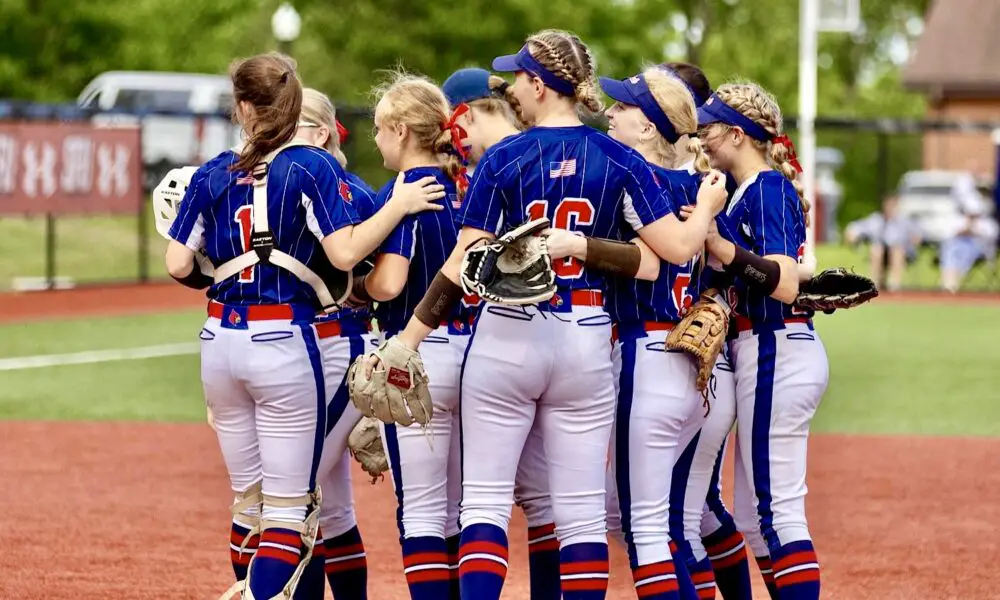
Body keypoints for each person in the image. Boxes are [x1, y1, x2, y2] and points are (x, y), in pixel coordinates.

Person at [354, 29, 727, 600]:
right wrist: (701, 211)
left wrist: (407, 340)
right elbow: (667, 256)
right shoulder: (619, 157)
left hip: (508, 334)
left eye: (519, 80)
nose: (513, 92)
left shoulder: (503, 156)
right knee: (579, 516)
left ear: (538, 84)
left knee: (483, 504)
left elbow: (464, 263)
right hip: (583, 336)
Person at [164, 53, 442, 600]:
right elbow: (345, 254)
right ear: (296, 111)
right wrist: (399, 204)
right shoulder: (313, 167)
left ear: (242, 108)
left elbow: (177, 264)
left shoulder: (214, 170)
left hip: (219, 341)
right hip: (288, 341)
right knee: (291, 512)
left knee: (251, 504)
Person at [347, 72, 477, 600]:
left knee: (422, 511)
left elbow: (392, 281)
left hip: (417, 350)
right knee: (466, 510)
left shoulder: (405, 190)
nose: (375, 139)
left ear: (402, 131)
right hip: (478, 350)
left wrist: (357, 288)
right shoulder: (467, 185)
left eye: (380, 129)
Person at [696, 81, 829, 600]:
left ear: (737, 133)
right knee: (756, 520)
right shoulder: (747, 189)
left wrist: (722, 249)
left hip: (775, 346)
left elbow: (787, 280)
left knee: (778, 513)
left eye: (709, 128)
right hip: (766, 347)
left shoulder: (767, 188)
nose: (702, 137)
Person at [843, 194, 920, 292]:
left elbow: (917, 235)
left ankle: (894, 284)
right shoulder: (876, 220)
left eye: (893, 206)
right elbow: (858, 227)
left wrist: (913, 240)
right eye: (888, 205)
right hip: (880, 253)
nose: (890, 209)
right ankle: (874, 283)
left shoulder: (904, 221)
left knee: (896, 250)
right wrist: (851, 232)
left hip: (901, 253)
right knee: (876, 249)